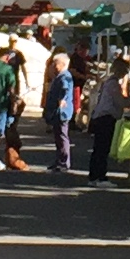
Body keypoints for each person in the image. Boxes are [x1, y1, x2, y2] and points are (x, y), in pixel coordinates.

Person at [84, 53, 127, 183]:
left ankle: (94, 176)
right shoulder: (113, 84)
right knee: (102, 149)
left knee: (98, 148)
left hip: (100, 116)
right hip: (106, 118)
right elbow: (121, 102)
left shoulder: (108, 82)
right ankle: (100, 177)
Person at [42, 46, 77, 175]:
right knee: (58, 137)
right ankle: (59, 160)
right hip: (57, 112)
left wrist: (62, 100)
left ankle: (64, 162)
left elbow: (65, 89)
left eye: (55, 64)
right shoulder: (59, 76)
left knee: (62, 137)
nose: (53, 66)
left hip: (61, 112)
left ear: (62, 64)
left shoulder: (64, 76)